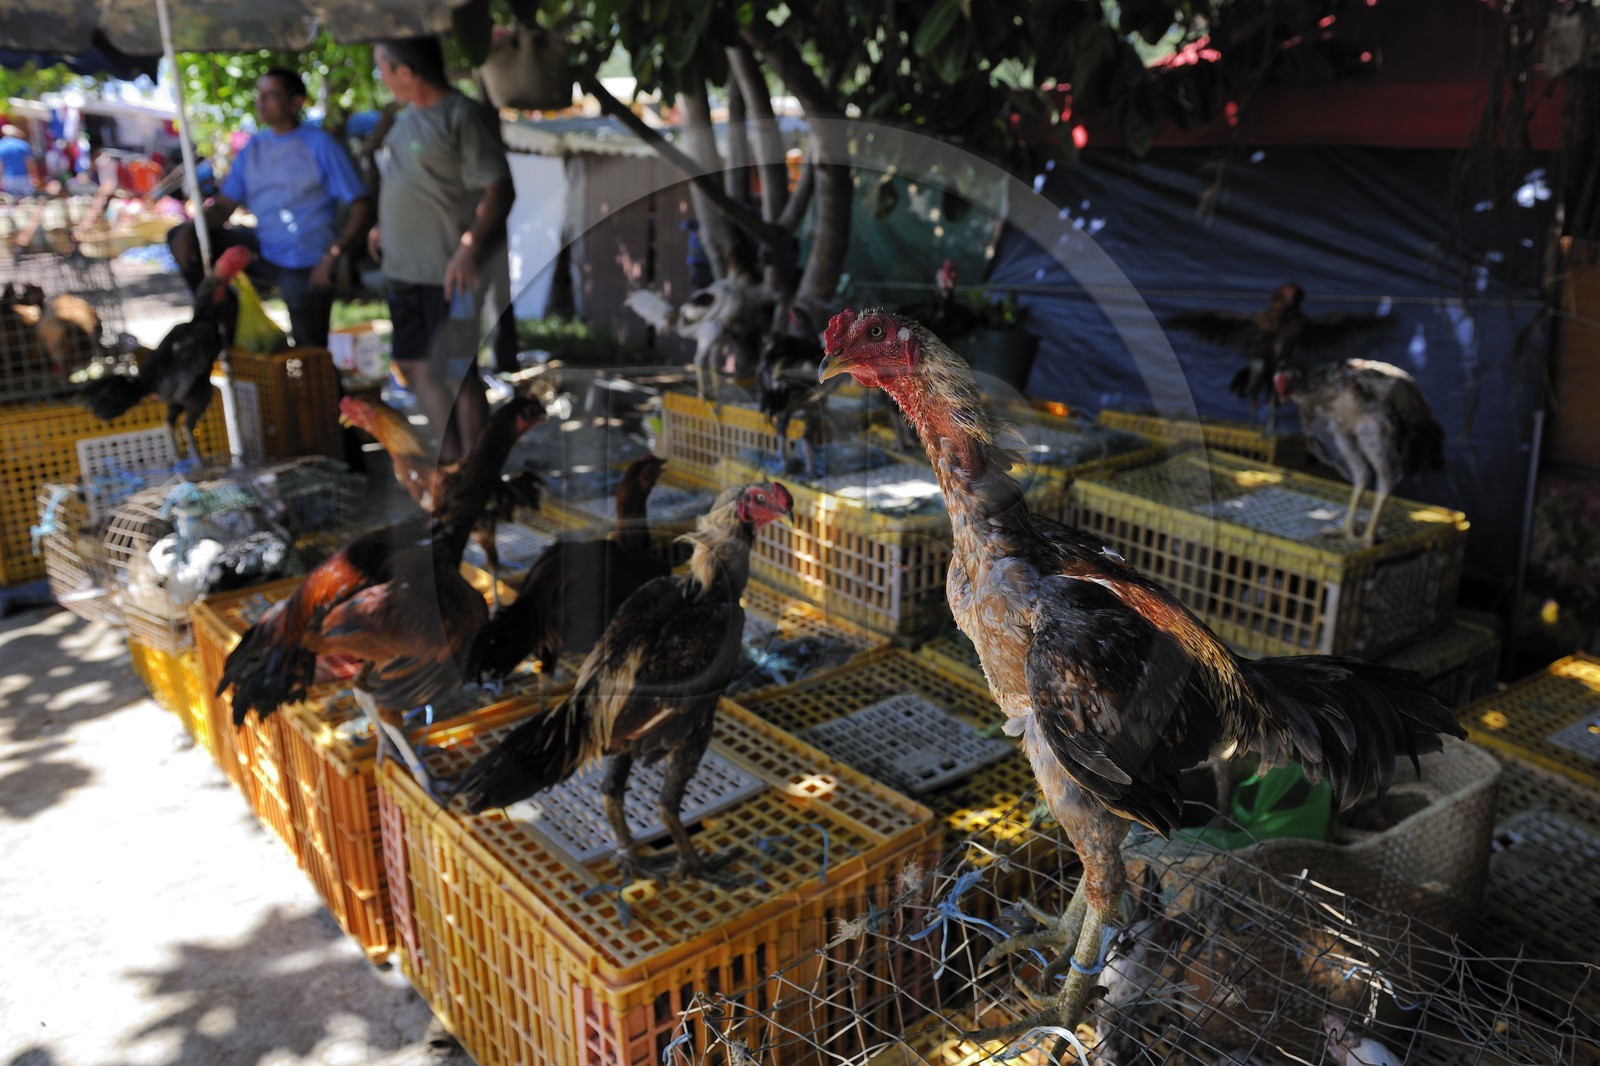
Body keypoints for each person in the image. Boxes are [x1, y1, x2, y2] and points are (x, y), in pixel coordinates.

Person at [371, 36, 515, 463]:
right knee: (414, 368)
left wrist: (468, 249)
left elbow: (499, 189)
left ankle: (478, 471)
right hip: (404, 271)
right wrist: (385, 223)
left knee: (457, 375)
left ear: (406, 72)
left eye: (383, 68)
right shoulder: (403, 119)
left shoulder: (463, 116)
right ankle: (452, 462)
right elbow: (414, 180)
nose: (381, 78)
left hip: (451, 274)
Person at [169, 68, 372, 348]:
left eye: (271, 95)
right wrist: (191, 230)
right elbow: (224, 205)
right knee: (180, 236)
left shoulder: (319, 144)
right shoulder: (253, 149)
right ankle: (225, 321)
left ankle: (326, 389)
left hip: (308, 262)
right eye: (260, 95)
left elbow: (361, 205)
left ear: (296, 102)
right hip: (265, 251)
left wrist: (331, 258)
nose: (261, 102)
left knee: (310, 353)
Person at [0, 124, 35, 198]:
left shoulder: (1, 145)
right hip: (23, 177)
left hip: (8, 178)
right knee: (26, 201)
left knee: (11, 202)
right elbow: (29, 163)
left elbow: (1, 165)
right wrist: (33, 176)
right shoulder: (23, 145)